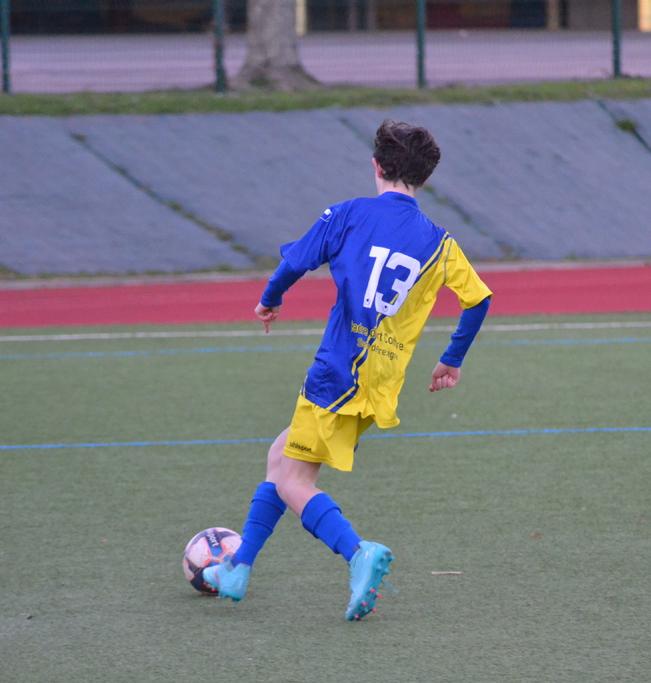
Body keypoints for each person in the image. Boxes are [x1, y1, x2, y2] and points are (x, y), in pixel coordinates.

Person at [203, 119, 493, 621]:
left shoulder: (349, 214)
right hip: (379, 383)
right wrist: (451, 359)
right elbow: (478, 300)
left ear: (376, 166)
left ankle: (358, 552)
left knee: (294, 480)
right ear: (424, 178)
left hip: (337, 370)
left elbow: (295, 262)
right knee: (280, 456)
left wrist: (270, 299)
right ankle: (238, 568)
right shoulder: (439, 242)